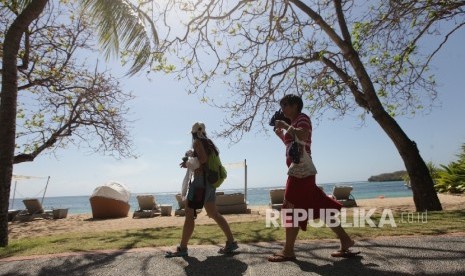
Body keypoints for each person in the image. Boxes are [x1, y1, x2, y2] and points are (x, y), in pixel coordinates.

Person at [268, 94, 359, 262]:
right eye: (282, 105)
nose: (282, 108)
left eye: (285, 104)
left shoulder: (302, 118)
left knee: (290, 208)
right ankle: (346, 240)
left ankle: (288, 251)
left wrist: (286, 126)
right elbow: (292, 144)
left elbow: (302, 136)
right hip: (302, 172)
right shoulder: (294, 123)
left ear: (296, 105)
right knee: (321, 206)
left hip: (300, 172)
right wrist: (281, 135)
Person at [165, 122, 239, 257]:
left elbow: (203, 159)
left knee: (189, 213)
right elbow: (205, 159)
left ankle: (182, 248)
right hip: (210, 184)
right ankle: (231, 242)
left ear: (193, 133)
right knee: (214, 213)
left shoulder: (198, 142)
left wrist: (189, 163)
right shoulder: (209, 143)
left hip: (200, 184)